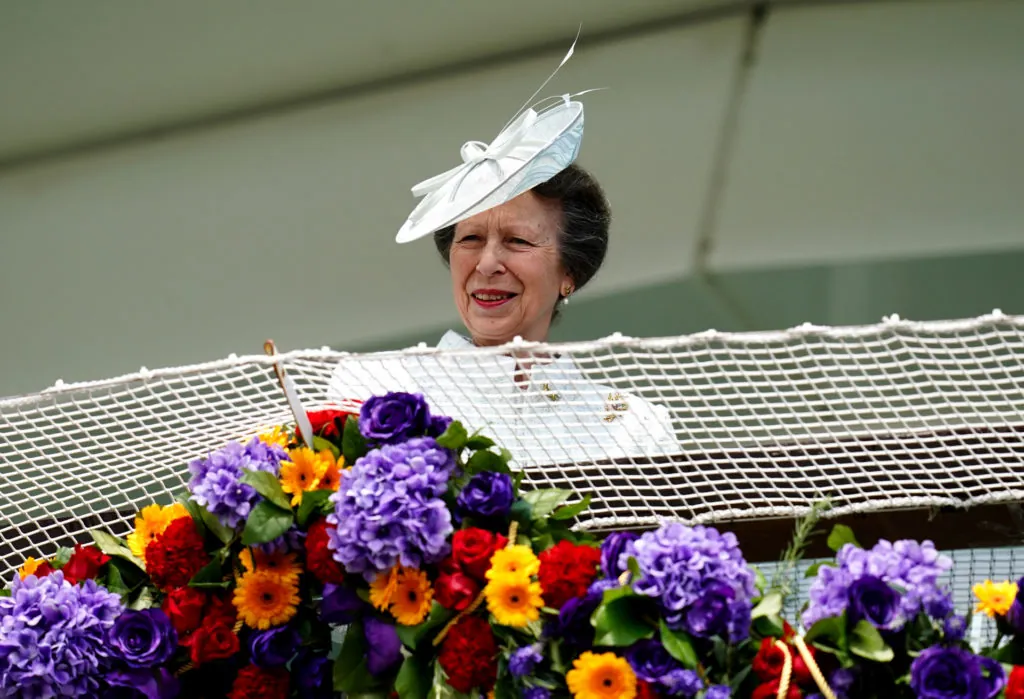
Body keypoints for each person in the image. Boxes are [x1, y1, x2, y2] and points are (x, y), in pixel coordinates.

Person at [328, 42, 677, 467]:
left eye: (518, 242)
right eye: (471, 239)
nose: (487, 263)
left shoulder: (632, 427)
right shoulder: (374, 388)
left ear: (571, 271)